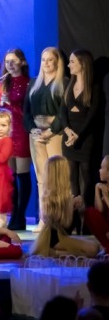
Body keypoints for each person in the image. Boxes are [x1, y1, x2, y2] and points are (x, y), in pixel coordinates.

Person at [24, 47, 66, 227]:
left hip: (55, 133)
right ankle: (44, 218)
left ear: (57, 61)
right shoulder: (34, 83)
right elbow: (26, 111)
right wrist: (32, 130)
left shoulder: (64, 82)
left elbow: (64, 112)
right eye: (43, 59)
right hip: (36, 133)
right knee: (41, 178)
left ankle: (58, 219)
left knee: (56, 177)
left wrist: (51, 131)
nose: (46, 63)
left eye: (50, 59)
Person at [0, 49, 32, 231]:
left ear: (22, 62)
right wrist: (0, 105)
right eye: (7, 61)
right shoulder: (2, 83)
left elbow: (29, 111)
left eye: (14, 61)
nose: (10, 65)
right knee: (11, 177)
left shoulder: (29, 83)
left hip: (21, 132)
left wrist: (12, 103)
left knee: (23, 175)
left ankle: (20, 215)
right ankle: (14, 213)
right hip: (7, 133)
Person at [31, 156, 100, 257]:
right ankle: (55, 253)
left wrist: (73, 206)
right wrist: (71, 206)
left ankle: (57, 252)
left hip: (62, 237)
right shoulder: (50, 199)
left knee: (96, 246)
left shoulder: (63, 197)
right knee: (93, 249)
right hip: (56, 239)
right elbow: (64, 224)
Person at [60, 49, 100, 210]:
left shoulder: (93, 87)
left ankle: (88, 213)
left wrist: (78, 135)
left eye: (72, 62)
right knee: (71, 176)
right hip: (69, 136)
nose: (69, 65)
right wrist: (67, 130)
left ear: (82, 64)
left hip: (84, 138)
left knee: (87, 174)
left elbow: (92, 115)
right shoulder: (69, 84)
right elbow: (62, 110)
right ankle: (74, 215)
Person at [85, 156, 109, 252]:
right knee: (90, 212)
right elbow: (99, 210)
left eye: (102, 167)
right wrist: (97, 188)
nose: (99, 170)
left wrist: (106, 197)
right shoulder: (104, 187)